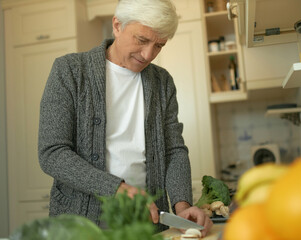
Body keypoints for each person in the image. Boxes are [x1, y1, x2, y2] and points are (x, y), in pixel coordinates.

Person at [38, 0, 213, 236]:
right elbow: (53, 153)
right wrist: (117, 188)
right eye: (142, 40)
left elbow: (174, 150)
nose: (148, 54)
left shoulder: (162, 83)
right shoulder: (69, 71)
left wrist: (182, 205)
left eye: (159, 45)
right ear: (117, 26)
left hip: (147, 224)